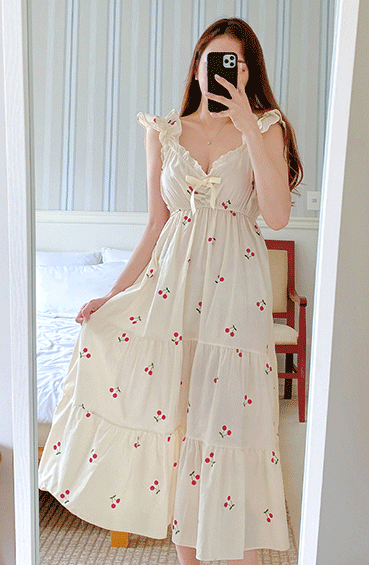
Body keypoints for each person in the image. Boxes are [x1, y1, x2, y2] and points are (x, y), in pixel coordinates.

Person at [38, 17, 303, 565]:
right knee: (179, 432)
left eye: (234, 62)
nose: (221, 71)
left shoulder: (267, 127)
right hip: (172, 298)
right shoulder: (163, 132)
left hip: (236, 299)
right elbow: (155, 225)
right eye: (212, 60)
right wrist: (111, 297)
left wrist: (248, 127)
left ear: (248, 72)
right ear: (197, 67)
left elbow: (277, 216)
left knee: (233, 427)